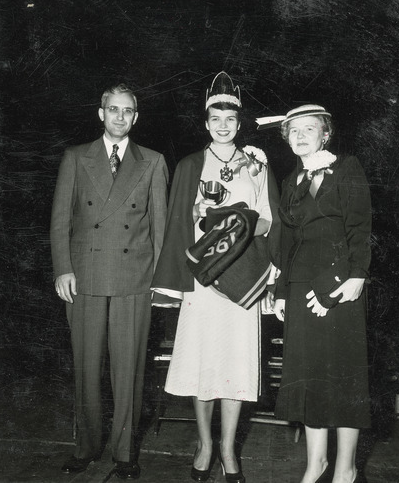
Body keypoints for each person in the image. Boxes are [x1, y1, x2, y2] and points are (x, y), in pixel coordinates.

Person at [151, 71, 279, 483]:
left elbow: (270, 222)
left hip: (242, 280)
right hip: (204, 283)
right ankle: (205, 444)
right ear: (206, 123)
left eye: (230, 120)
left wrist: (236, 222)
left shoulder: (257, 166)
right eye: (215, 119)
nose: (223, 126)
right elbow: (178, 226)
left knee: (237, 367)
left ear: (239, 124)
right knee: (202, 365)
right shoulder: (190, 165)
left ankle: (228, 449)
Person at [50, 84, 168, 479]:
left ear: (137, 116)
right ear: (101, 114)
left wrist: (161, 281)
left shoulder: (152, 161)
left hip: (134, 278)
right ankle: (85, 447)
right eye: (113, 109)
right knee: (86, 368)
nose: (120, 116)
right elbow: (60, 220)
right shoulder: (75, 158)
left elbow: (161, 229)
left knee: (129, 371)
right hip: (84, 276)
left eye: (128, 110)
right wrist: (63, 267)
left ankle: (124, 453)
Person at [257, 105, 371, 483]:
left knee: (342, 376)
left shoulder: (347, 168)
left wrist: (355, 277)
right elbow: (288, 240)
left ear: (326, 134)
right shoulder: (292, 180)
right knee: (308, 378)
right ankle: (315, 463)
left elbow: (359, 226)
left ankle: (345, 468)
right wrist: (281, 292)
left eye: (310, 129)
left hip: (340, 286)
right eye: (294, 131)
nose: (301, 135)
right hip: (301, 287)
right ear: (287, 138)